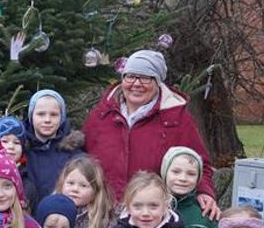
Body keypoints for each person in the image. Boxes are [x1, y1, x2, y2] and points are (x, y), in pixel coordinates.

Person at [82, 49, 219, 218]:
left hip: (150, 216)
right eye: (130, 76)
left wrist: (205, 191)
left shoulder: (175, 117)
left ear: (158, 82)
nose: (136, 84)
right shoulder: (102, 114)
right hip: (102, 212)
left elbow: (199, 164)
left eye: (146, 78)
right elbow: (80, 159)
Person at [24, 88, 84, 202]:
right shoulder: (20, 149)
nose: (47, 120)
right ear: (31, 116)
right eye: (41, 114)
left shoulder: (74, 153)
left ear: (62, 117)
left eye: (54, 115)